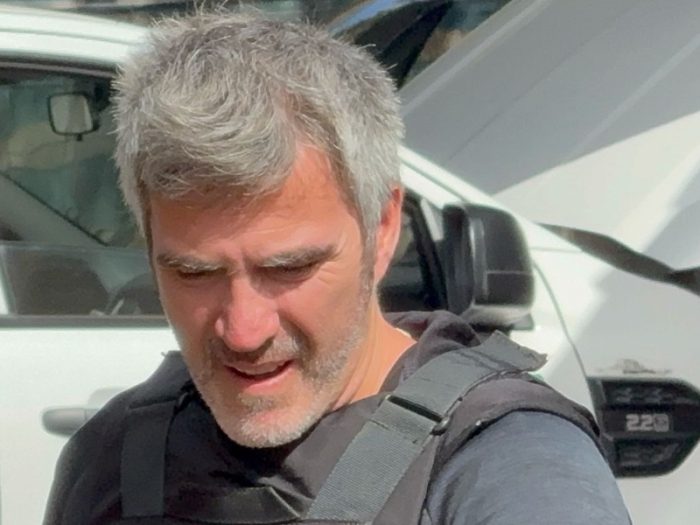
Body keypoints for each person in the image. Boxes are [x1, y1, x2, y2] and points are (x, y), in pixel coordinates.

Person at [44, 11, 630, 525]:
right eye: (194, 273)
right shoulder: (113, 458)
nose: (243, 331)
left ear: (383, 227)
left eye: (288, 268)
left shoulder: (514, 469)